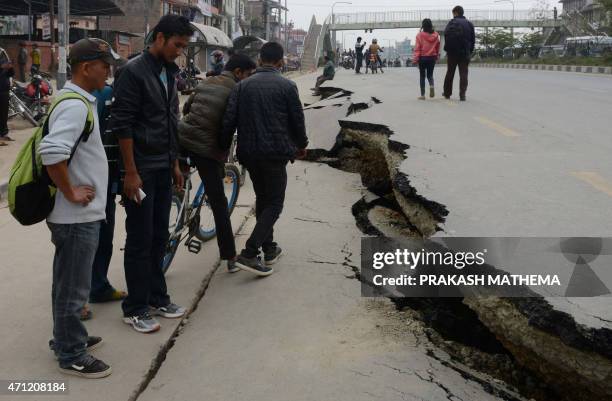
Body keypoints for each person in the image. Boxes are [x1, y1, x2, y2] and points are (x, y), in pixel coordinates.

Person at [39, 38, 121, 378]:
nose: (110, 72)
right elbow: (51, 152)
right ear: (86, 68)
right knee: (73, 288)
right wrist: (71, 191)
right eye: (106, 66)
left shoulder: (76, 100)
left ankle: (66, 338)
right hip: (76, 217)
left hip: (76, 215)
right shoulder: (75, 105)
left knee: (66, 282)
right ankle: (71, 353)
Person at [111, 14, 193, 333]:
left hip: (162, 165)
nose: (179, 52)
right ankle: (135, 307)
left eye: (184, 47)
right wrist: (130, 172)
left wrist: (174, 164)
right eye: (177, 45)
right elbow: (123, 124)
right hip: (140, 171)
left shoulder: (169, 73)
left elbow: (170, 120)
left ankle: (158, 297)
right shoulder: (133, 72)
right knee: (140, 239)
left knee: (161, 236)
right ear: (159, 38)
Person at [220, 42, 308, 276]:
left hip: (249, 153)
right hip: (275, 153)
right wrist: (302, 145)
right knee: (275, 203)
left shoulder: (242, 86)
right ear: (280, 62)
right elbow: (297, 120)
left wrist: (222, 149)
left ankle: (269, 248)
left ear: (259, 60)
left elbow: (229, 120)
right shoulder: (288, 86)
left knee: (263, 199)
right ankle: (249, 253)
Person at [179, 54, 257, 273]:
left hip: (181, 139)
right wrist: (222, 149)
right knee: (219, 203)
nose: (248, 79)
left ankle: (179, 199)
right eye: (248, 75)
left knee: (180, 179)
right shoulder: (237, 90)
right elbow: (230, 123)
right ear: (239, 72)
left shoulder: (207, 81)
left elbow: (187, 109)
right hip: (206, 149)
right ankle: (230, 257)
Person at [89, 72, 128, 306]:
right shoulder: (101, 96)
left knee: (105, 237)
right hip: (91, 182)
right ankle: (79, 296)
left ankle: (99, 286)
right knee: (85, 241)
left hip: (108, 182)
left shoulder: (123, 99)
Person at [442, 6, 475, 101]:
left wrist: (448, 50)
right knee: (464, 74)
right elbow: (473, 40)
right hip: (465, 53)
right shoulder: (469, 24)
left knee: (450, 73)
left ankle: (447, 93)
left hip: (452, 53)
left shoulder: (451, 22)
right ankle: (462, 95)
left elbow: (446, 35)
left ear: (456, 13)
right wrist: (469, 51)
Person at [413, 19, 440, 100]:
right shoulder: (436, 35)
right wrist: (436, 56)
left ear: (423, 26)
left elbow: (417, 48)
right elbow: (437, 47)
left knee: (422, 76)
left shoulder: (419, 35)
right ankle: (431, 86)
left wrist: (415, 59)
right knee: (430, 75)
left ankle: (423, 95)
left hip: (422, 58)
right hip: (432, 57)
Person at [0, 46, 14, 145]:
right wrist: (1, 68)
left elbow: (11, 74)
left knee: (4, 114)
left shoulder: (3, 53)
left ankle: (3, 134)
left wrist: (10, 68)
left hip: (5, 93)